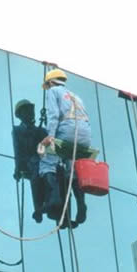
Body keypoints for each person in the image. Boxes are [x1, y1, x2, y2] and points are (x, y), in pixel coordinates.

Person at [38, 69, 91, 224]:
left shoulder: (53, 91)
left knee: (47, 160)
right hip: (84, 137)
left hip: (68, 132)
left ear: (50, 82)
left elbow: (53, 115)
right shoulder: (76, 96)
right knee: (72, 169)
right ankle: (81, 203)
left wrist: (50, 136)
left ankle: (54, 196)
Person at [12, 99, 48, 223]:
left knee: (58, 173)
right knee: (35, 170)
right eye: (27, 110)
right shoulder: (17, 130)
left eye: (31, 109)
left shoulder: (42, 131)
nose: (30, 112)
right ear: (20, 114)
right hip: (27, 163)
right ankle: (38, 208)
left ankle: (61, 214)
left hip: (41, 161)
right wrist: (17, 169)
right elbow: (17, 149)